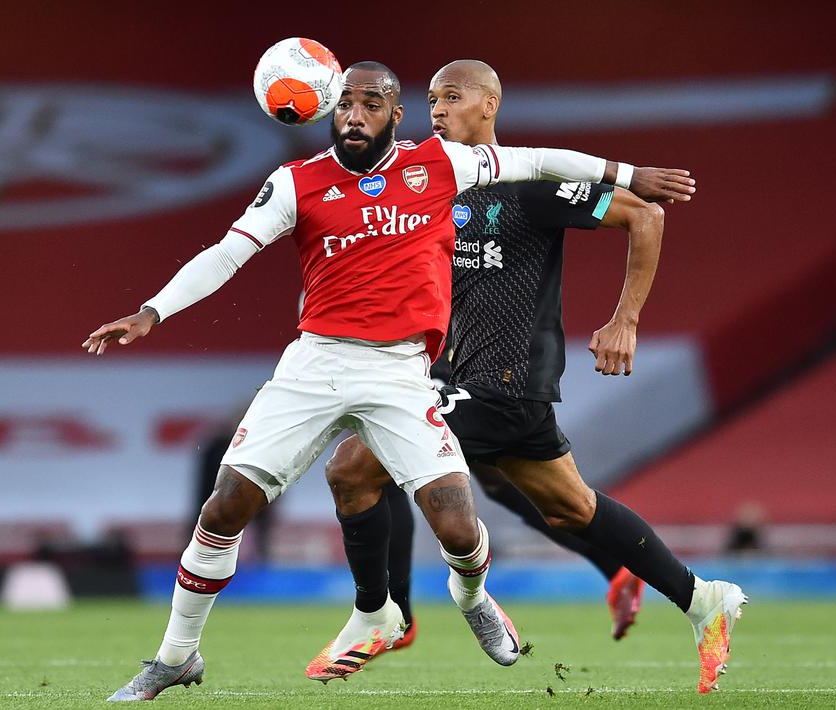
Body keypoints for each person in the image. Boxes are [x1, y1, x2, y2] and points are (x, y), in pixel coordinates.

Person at [84, 60, 657, 701]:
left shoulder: (443, 165)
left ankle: (474, 601)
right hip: (314, 366)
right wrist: (151, 311)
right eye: (345, 105)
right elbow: (227, 253)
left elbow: (541, 161)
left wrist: (630, 177)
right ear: (327, 111)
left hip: (400, 371)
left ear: (394, 114)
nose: (355, 116)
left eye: (371, 104)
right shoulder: (297, 183)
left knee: (460, 530)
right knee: (224, 507)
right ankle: (175, 656)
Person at [311, 60, 746, 695]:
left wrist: (624, 321)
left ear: (488, 106)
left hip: (503, 381)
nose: (437, 108)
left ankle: (388, 614)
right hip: (464, 378)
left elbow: (646, 217)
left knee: (353, 468)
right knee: (571, 507)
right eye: (431, 98)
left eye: (452, 97)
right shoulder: (424, 183)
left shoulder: (528, 184)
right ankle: (704, 599)